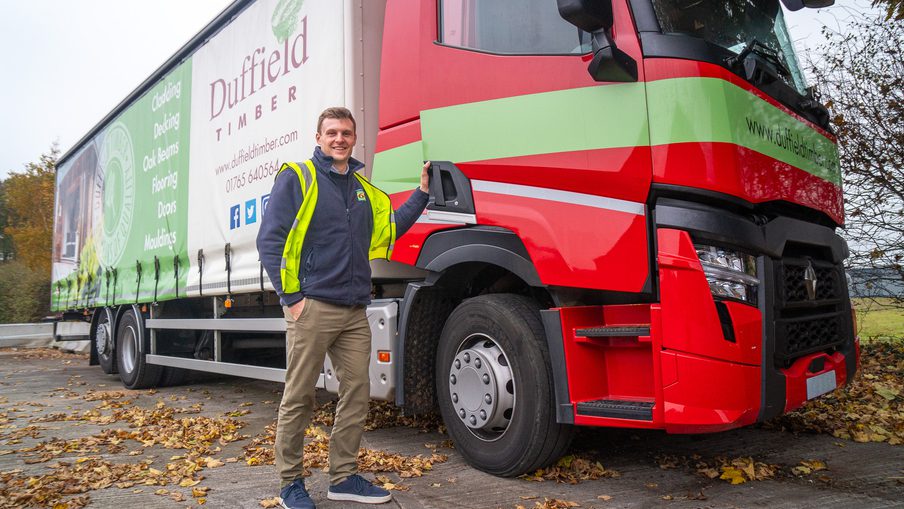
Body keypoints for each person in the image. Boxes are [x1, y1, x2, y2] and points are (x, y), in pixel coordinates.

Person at [256, 107, 430, 509]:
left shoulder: (360, 189)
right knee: (299, 396)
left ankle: (343, 477)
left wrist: (421, 194)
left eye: (346, 133)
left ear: (354, 139)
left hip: (354, 310)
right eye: (331, 132)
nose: (339, 139)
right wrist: (291, 299)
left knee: (357, 393)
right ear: (318, 137)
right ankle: (290, 484)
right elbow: (271, 241)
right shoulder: (297, 178)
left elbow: (390, 228)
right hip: (312, 306)